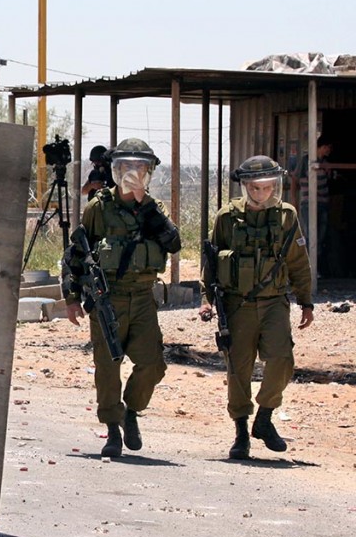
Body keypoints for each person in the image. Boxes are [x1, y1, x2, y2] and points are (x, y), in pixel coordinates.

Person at [61, 138, 181, 458]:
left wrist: (146, 206)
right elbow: (77, 252)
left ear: (148, 172)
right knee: (107, 366)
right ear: (115, 171)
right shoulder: (99, 207)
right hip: (108, 297)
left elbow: (173, 242)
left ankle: (131, 412)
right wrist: (72, 297)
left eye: (139, 168)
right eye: (126, 168)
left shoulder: (154, 209)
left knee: (153, 364)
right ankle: (113, 429)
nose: (132, 174)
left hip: (142, 297)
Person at [200, 156, 313, 460]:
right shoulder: (227, 217)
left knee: (281, 360)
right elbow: (211, 261)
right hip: (237, 305)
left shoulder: (286, 216)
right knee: (238, 369)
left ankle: (264, 418)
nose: (262, 194)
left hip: (275, 302)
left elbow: (298, 262)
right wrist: (206, 299)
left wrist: (306, 301)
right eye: (256, 188)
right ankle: (240, 433)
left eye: (268, 188)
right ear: (245, 187)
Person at [290, 135, 332, 267]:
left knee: (321, 237)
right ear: (320, 147)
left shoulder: (325, 163)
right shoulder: (306, 161)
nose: (329, 150)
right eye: (327, 147)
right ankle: (307, 269)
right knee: (310, 236)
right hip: (309, 204)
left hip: (323, 203)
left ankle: (315, 267)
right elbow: (295, 180)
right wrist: (294, 201)